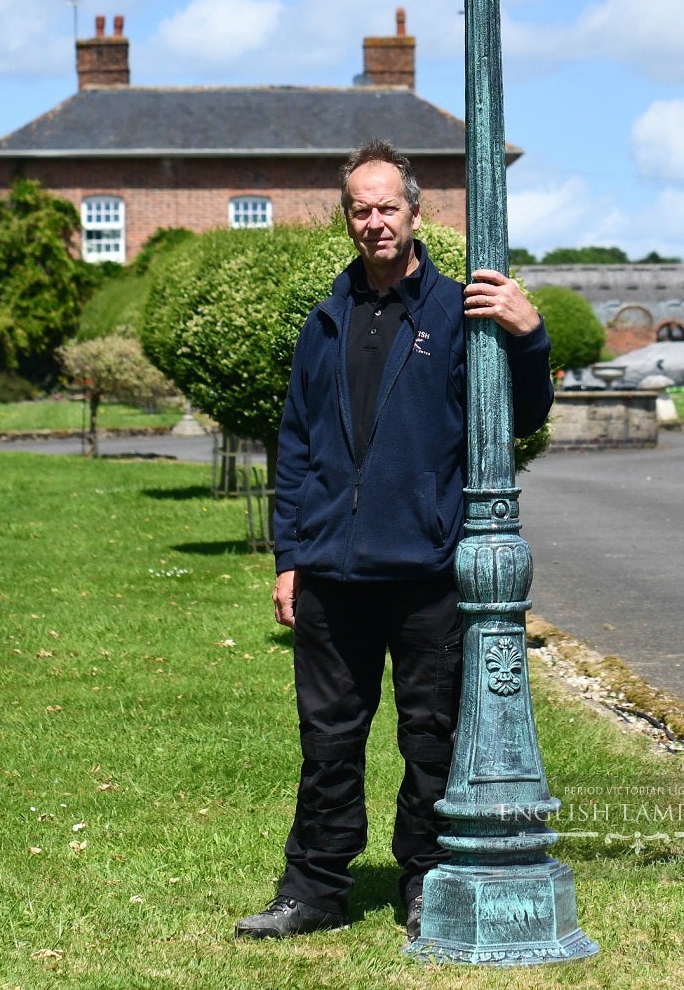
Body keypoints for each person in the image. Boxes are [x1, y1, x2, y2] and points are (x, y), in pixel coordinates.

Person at [235, 139, 553, 942]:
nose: (375, 222)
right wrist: (290, 560)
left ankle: (426, 883)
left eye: (388, 207)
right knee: (328, 745)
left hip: (425, 575)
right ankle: (312, 891)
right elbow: (297, 447)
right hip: (334, 579)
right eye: (360, 209)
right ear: (347, 218)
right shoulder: (326, 321)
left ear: (416, 214)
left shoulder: (457, 312)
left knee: (430, 743)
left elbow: (516, 418)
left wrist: (530, 336)